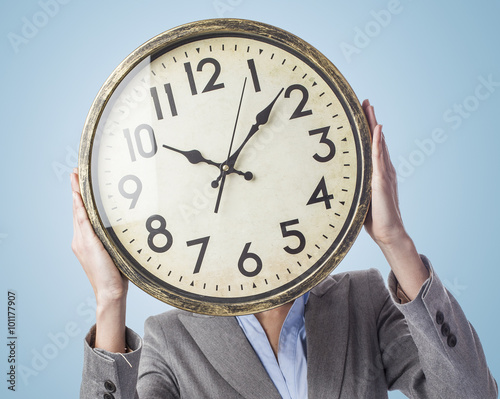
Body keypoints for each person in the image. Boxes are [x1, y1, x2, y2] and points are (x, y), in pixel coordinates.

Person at [72, 100, 498, 398]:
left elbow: (473, 393)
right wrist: (110, 300)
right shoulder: (171, 339)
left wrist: (394, 240)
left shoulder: (363, 301)